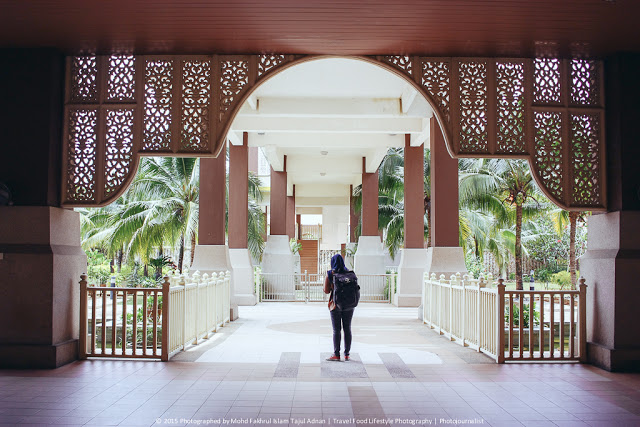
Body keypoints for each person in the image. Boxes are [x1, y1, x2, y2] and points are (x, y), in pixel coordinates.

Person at [324, 253, 355, 361]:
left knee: (336, 330)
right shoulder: (350, 273)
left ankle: (336, 354)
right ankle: (347, 354)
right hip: (350, 305)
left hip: (336, 305)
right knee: (347, 329)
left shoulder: (330, 274)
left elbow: (326, 290)